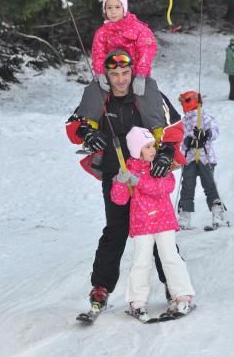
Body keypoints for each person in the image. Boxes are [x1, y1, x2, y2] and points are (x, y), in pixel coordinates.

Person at [66, 49, 186, 312]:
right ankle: (101, 287)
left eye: (125, 73)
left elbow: (174, 127)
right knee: (117, 228)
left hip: (148, 173)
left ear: (133, 73)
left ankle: (173, 285)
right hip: (115, 173)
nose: (120, 80)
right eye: (114, 74)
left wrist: (165, 153)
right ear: (106, 75)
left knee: (158, 230)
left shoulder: (147, 94)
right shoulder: (100, 96)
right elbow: (73, 125)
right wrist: (87, 133)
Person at [110, 127, 195, 322]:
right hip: (142, 223)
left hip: (163, 221)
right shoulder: (128, 168)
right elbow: (119, 200)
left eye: (153, 146)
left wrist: (137, 181)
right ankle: (137, 302)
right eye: (147, 147)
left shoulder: (160, 165)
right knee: (141, 262)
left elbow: (164, 187)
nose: (153, 150)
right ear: (136, 150)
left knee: (170, 258)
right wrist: (120, 182)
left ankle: (183, 296)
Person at [92, 0, 157, 97]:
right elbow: (98, 54)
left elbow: (147, 50)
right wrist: (100, 73)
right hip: (113, 78)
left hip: (135, 76)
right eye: (109, 7)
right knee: (95, 94)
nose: (113, 11)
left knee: (147, 99)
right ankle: (87, 115)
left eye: (117, 7)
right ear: (104, 10)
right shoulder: (102, 33)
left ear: (124, 8)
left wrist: (140, 75)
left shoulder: (139, 29)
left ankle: (155, 114)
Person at [177, 91, 224, 230]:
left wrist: (205, 134)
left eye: (184, 102)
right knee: (187, 187)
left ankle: (217, 215)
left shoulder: (205, 117)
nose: (182, 105)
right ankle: (184, 218)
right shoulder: (183, 120)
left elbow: (215, 131)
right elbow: (180, 137)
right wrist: (187, 141)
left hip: (206, 158)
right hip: (189, 159)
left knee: (209, 185)